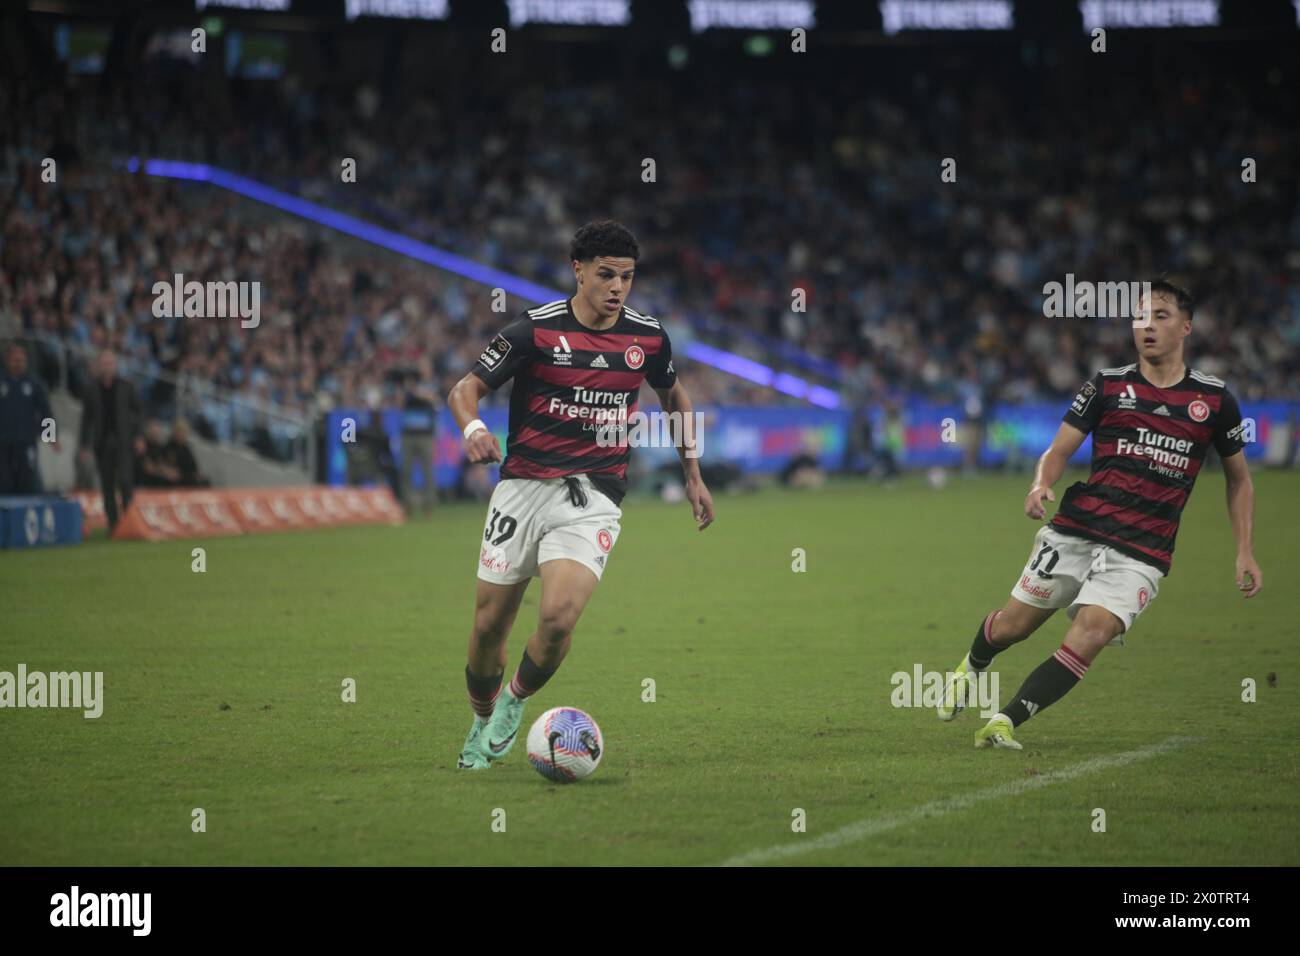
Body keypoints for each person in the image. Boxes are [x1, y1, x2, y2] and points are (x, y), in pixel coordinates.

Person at [937, 279, 1263, 749]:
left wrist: (1245, 551)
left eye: (1161, 316)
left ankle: (1004, 721)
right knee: (1014, 626)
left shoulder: (1214, 401)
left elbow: (1240, 480)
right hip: (1078, 529)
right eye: (1140, 317)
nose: (1147, 326)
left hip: (1144, 550)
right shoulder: (1107, 384)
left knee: (1091, 633)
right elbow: (1059, 448)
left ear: (1186, 327)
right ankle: (971, 666)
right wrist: (1040, 482)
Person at [446, 220, 715, 770]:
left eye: (627, 277)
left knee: (559, 617)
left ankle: (513, 705)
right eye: (606, 275)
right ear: (578, 271)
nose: (618, 287)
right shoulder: (535, 331)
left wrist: (693, 473)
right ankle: (480, 716)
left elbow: (676, 398)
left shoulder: (647, 337)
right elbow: (465, 389)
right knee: (488, 627)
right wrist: (474, 430)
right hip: (521, 490)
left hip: (592, 495)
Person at [78, 350, 144, 532]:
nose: (107, 366)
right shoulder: (91, 389)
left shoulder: (126, 386)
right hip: (102, 442)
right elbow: (86, 419)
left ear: (115, 365)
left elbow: (138, 413)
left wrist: (139, 436)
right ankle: (113, 524)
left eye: (110, 362)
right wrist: (84, 445)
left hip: (123, 441)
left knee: (125, 481)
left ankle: (130, 522)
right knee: (107, 484)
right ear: (99, 365)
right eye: (104, 362)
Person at [0, 342, 54, 494]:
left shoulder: (34, 384)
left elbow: (46, 411)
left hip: (26, 442)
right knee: (4, 481)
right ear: (8, 361)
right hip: (3, 443)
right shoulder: (2, 382)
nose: (18, 364)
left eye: (21, 361)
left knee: (28, 480)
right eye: (15, 360)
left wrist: (50, 437)